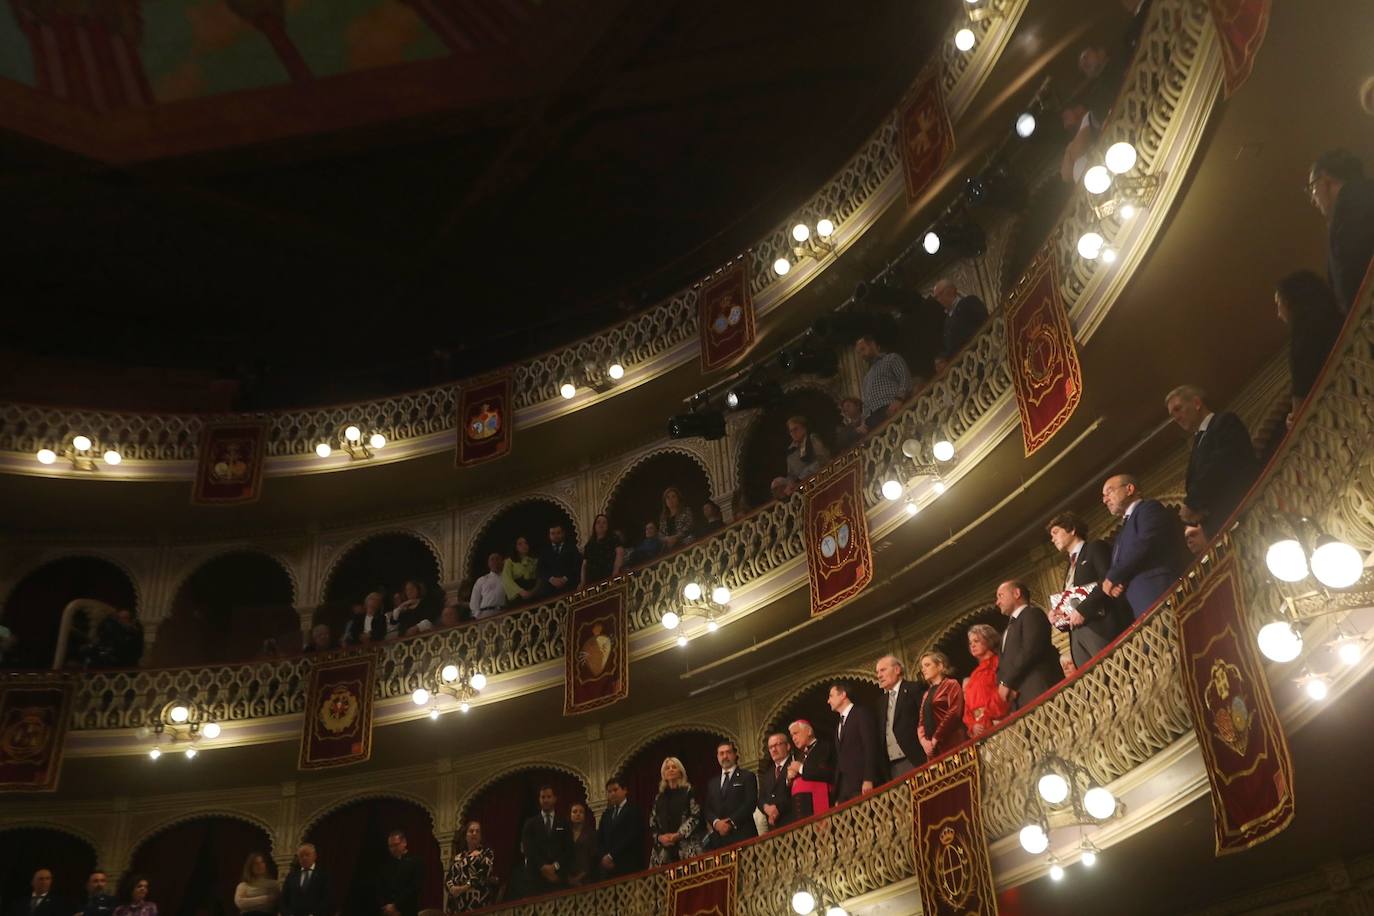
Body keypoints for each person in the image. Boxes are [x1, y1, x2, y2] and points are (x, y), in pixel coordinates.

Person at [1166, 385, 1258, 536]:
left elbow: (1220, 465)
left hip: (1245, 512)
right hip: (1222, 524)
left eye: (1178, 409)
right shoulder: (1198, 441)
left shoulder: (1224, 422)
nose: (1176, 417)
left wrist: (1193, 503)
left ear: (1196, 403)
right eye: (1172, 414)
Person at [1047, 511, 1131, 669]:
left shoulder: (1095, 548)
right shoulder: (1069, 567)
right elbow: (1074, 599)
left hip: (1099, 628)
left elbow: (1107, 580)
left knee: (1113, 671)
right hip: (1076, 636)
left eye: (1056, 532)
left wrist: (1083, 610)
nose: (1052, 539)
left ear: (1072, 529)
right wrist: (1059, 615)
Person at [1101, 474, 1190, 617]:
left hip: (1159, 589)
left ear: (1129, 489)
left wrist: (1113, 576)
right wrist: (1118, 583)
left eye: (1109, 492)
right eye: (1104, 496)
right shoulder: (1121, 532)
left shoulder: (1148, 509)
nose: (1105, 500)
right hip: (1140, 602)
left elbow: (1145, 543)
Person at [1308, 149, 1374, 313]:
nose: (1313, 199)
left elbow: (1350, 284)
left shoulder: (1347, 216)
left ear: (1325, 179)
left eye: (1312, 187)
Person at [1275, 270, 1345, 427]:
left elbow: (1300, 414)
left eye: (1279, 304)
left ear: (1290, 303)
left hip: (1339, 417)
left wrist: (1292, 421)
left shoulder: (1300, 347)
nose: (1279, 314)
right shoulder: (1340, 318)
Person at [994, 580, 1062, 711]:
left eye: (1000, 596)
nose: (997, 602)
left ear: (1016, 593)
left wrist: (1007, 682)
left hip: (1038, 689)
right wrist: (1002, 684)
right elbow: (1003, 663)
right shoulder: (1007, 630)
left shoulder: (1032, 614)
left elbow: (1030, 650)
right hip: (1019, 698)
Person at [827, 683, 881, 803]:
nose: (828, 701)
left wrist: (869, 778)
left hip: (861, 783)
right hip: (845, 787)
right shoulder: (839, 725)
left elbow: (870, 746)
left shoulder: (861, 713)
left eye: (831, 696)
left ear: (843, 695)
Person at [874, 654, 925, 777]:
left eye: (883, 670)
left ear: (897, 670)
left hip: (916, 759)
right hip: (893, 767)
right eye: (877, 672)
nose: (879, 675)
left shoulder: (914, 689)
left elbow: (925, 719)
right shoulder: (880, 702)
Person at [702, 740, 758, 850]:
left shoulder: (747, 776)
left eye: (728, 752)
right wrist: (716, 823)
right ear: (717, 757)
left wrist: (730, 822)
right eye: (721, 753)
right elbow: (707, 808)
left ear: (735, 754)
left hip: (743, 836)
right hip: (719, 841)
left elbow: (750, 803)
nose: (725, 756)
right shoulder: (712, 783)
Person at [649, 757, 704, 866]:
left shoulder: (688, 791)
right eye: (667, 768)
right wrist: (660, 837)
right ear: (663, 774)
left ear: (680, 772)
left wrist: (679, 834)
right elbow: (652, 822)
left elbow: (696, 816)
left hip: (687, 846)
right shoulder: (659, 798)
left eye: (674, 767)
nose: (671, 770)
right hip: (664, 850)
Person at [854, 333, 913, 432]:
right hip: (873, 418)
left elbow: (905, 379)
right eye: (859, 353)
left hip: (890, 407)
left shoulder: (891, 358)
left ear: (872, 344)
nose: (862, 355)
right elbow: (866, 403)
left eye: (863, 349)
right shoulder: (866, 378)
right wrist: (863, 422)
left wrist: (899, 400)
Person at [520, 785, 573, 892]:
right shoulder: (530, 824)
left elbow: (569, 848)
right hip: (536, 879)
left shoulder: (564, 822)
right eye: (543, 797)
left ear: (554, 799)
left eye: (549, 797)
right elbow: (528, 849)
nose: (546, 800)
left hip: (558, 877)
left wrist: (555, 866)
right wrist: (543, 867)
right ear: (539, 799)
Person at [917, 651, 968, 760]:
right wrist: (924, 741)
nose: (923, 669)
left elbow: (954, 713)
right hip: (933, 748)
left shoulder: (951, 684)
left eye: (927, 665)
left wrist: (936, 738)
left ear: (940, 666)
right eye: (922, 667)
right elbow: (921, 721)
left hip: (952, 742)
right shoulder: (926, 694)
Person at [962, 625, 1008, 738]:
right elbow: (967, 706)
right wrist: (973, 725)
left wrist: (986, 717)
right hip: (980, 729)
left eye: (976, 641)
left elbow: (1003, 692)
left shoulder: (998, 663)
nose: (972, 645)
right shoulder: (974, 675)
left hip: (998, 722)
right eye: (970, 643)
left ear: (988, 640)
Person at [932, 279, 988, 370]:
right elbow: (951, 347)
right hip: (965, 366)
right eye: (936, 297)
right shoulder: (947, 321)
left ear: (950, 290)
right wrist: (943, 358)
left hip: (981, 354)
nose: (939, 300)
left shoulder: (969, 302)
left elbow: (984, 322)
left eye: (940, 294)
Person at [786, 719, 836, 819]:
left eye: (796, 733)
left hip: (819, 802)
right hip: (802, 810)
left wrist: (800, 768)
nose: (794, 738)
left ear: (809, 732)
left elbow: (827, 772)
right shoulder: (799, 756)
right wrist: (789, 779)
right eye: (792, 736)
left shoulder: (824, 746)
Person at [597, 776, 645, 877]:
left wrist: (611, 855)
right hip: (610, 869)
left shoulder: (634, 810)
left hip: (629, 865)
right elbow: (600, 838)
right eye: (609, 791)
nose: (612, 794)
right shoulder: (606, 814)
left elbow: (632, 836)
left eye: (615, 790)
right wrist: (604, 857)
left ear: (625, 790)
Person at [445, 820, 495, 913]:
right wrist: (452, 889)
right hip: (457, 904)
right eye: (471, 831)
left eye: (477, 831)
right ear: (466, 835)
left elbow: (484, 873)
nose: (474, 833)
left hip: (477, 901)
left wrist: (465, 887)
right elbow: (449, 877)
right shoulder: (458, 857)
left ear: (481, 836)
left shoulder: (486, 853)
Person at [757, 732, 795, 832]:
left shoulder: (795, 764)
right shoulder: (768, 773)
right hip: (774, 828)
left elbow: (794, 794)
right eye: (770, 747)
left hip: (793, 823)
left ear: (787, 746)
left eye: (777, 745)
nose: (773, 750)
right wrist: (766, 808)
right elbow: (761, 798)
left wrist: (777, 808)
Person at [280, 843, 330, 916]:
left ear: (315, 856)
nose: (304, 858)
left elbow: (327, 899)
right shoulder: (292, 876)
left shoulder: (323, 875)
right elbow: (283, 899)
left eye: (307, 855)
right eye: (301, 856)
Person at [534, 525, 582, 598]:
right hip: (549, 589)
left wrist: (565, 579)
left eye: (558, 533)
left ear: (563, 533)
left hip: (569, 586)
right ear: (549, 535)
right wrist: (551, 579)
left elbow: (577, 565)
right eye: (553, 533)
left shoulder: (572, 547)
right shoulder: (544, 551)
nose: (556, 536)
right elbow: (539, 569)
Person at [580, 514, 625, 589]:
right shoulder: (589, 545)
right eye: (598, 522)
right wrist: (582, 582)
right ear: (594, 526)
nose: (601, 525)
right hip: (592, 582)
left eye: (604, 522)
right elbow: (584, 564)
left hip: (608, 577)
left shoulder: (613, 539)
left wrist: (615, 573)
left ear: (608, 526)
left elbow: (620, 553)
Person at [784, 416, 831, 486]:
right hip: (804, 487)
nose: (793, 433)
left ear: (804, 429)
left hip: (822, 479)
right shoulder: (791, 452)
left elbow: (822, 459)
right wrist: (790, 484)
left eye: (795, 429)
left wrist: (803, 476)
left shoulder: (812, 439)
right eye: (791, 431)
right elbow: (791, 475)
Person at [566, 802, 599, 886]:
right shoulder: (565, 834)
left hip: (587, 879)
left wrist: (579, 877)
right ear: (570, 815)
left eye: (581, 812)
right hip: (568, 880)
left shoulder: (591, 834)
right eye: (575, 812)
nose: (578, 814)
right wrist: (569, 878)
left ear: (585, 815)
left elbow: (593, 858)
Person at [468, 553, 508, 619]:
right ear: (488, 563)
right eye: (492, 559)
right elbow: (474, 599)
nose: (495, 561)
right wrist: (477, 615)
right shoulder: (482, 580)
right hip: (485, 613)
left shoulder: (507, 578)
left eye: (497, 559)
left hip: (502, 612)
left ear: (502, 561)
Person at [502, 536, 539, 602]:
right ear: (515, 547)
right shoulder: (509, 561)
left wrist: (533, 591)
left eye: (526, 543)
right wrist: (520, 591)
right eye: (520, 544)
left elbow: (539, 577)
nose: (524, 545)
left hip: (533, 591)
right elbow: (506, 579)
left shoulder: (534, 560)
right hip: (518, 594)